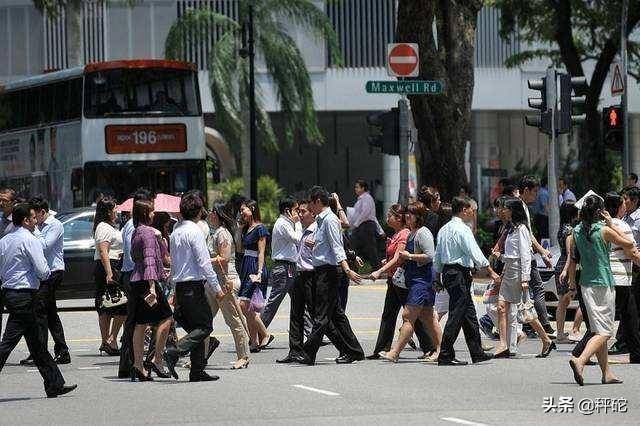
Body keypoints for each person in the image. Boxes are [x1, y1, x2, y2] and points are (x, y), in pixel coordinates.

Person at [0, 203, 77, 398]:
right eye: (33, 218)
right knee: (8, 342)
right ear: (26, 220)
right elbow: (43, 271)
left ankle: (54, 384)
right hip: (24, 295)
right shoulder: (30, 239)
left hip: (10, 293)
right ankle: (54, 383)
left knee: (36, 344)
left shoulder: (5, 240)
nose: (36, 222)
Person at [293, 186, 365, 365]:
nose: (309, 207)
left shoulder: (330, 220)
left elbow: (337, 247)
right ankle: (354, 350)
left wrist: (347, 269)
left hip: (329, 272)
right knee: (336, 315)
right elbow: (325, 244)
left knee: (321, 316)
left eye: (310, 203)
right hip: (321, 271)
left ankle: (309, 353)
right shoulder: (320, 220)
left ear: (318, 201)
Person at [568, 195, 634, 386]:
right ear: (600, 212)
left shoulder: (577, 230)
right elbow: (628, 244)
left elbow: (573, 259)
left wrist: (572, 283)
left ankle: (606, 373)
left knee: (598, 329)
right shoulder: (604, 230)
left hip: (585, 284)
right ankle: (579, 360)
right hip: (603, 284)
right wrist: (611, 223)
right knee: (605, 333)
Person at [163, 193, 225, 382]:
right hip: (193, 286)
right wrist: (217, 288)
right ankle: (175, 350)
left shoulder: (176, 230)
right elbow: (204, 263)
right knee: (205, 326)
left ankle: (197, 370)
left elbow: (174, 263)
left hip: (181, 286)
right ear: (198, 211)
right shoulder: (195, 231)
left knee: (196, 328)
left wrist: (173, 289)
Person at [435, 197, 501, 366]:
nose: (473, 212)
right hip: (459, 273)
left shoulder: (444, 229)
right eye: (471, 209)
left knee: (469, 313)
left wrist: (437, 277)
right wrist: (491, 271)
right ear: (464, 209)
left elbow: (438, 256)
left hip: (449, 273)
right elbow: (475, 252)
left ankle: (477, 352)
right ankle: (445, 354)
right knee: (456, 313)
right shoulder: (463, 229)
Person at [367, 204, 434, 359]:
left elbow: (400, 257)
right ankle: (382, 349)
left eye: (390, 215)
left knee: (412, 315)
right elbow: (395, 256)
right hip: (394, 279)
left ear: (398, 218)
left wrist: (379, 271)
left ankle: (429, 347)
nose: (387, 218)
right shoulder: (399, 233)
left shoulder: (405, 233)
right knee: (392, 315)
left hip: (402, 280)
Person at [493, 198, 555, 358]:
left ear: (513, 210)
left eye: (506, 208)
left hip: (518, 272)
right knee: (502, 307)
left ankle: (546, 339)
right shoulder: (510, 229)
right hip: (509, 271)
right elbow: (511, 255)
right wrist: (500, 257)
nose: (503, 211)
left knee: (524, 309)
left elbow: (525, 255)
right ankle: (503, 344)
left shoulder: (521, 229)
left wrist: (525, 278)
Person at [18, 197, 70, 366]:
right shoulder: (37, 225)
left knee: (39, 310)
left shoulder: (54, 225)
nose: (33, 219)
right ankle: (61, 351)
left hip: (53, 271)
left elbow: (45, 246)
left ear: (42, 212)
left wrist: (35, 231)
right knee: (50, 313)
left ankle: (40, 352)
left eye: (35, 215)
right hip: (42, 273)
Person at [129, 199, 174, 381]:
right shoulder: (147, 233)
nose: (154, 214)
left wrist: (158, 238)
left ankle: (138, 366)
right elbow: (149, 260)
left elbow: (137, 256)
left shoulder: (137, 231)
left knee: (140, 324)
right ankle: (157, 359)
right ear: (145, 213)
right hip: (148, 283)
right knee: (166, 318)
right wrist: (153, 286)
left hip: (136, 281)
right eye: (152, 211)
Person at [207, 203, 250, 370]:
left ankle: (243, 355)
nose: (209, 214)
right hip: (213, 281)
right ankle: (200, 358)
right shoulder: (214, 233)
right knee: (204, 320)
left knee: (233, 320)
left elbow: (224, 258)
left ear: (217, 214)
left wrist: (203, 260)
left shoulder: (223, 234)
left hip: (226, 281)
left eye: (211, 211)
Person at [118, 188, 155, 378]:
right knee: (142, 322)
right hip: (137, 277)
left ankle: (130, 364)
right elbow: (138, 258)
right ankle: (139, 363)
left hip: (131, 276)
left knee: (133, 322)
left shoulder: (129, 226)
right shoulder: (137, 229)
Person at [277, 200, 316, 363]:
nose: (299, 215)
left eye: (302, 211)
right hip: (299, 272)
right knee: (296, 313)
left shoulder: (315, 229)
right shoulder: (303, 228)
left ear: (312, 213)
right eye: (297, 211)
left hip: (311, 274)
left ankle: (348, 347)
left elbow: (297, 239)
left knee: (317, 313)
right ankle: (295, 350)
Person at [603, 192, 640, 363]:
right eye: (623, 203)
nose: (626, 205)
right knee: (622, 315)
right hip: (620, 277)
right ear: (618, 207)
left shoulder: (600, 225)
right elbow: (632, 251)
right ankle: (581, 353)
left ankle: (636, 353)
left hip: (605, 276)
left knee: (628, 313)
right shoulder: (622, 226)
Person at [517, 176, 555, 337]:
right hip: (524, 255)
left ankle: (530, 325)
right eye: (534, 192)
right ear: (526, 190)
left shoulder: (519, 205)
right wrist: (542, 251)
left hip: (521, 255)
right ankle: (544, 326)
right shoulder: (520, 206)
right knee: (538, 288)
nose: (536, 196)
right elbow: (528, 234)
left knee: (519, 292)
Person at [260, 197, 302, 328]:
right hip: (283, 268)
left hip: (290, 267)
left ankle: (310, 331)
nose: (298, 213)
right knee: (273, 303)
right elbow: (297, 239)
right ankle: (258, 333)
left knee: (300, 300)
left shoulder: (288, 223)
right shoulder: (282, 223)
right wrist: (299, 223)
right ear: (287, 210)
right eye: (296, 210)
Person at [237, 200, 272, 352]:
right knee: (248, 305)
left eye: (243, 209)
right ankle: (254, 341)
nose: (241, 213)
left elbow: (262, 252)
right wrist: (239, 230)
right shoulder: (246, 228)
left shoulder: (260, 228)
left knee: (243, 305)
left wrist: (259, 272)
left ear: (252, 209)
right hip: (246, 264)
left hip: (254, 267)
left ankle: (264, 333)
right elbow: (239, 249)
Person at [93, 196, 126, 356]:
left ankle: (107, 341)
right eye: (114, 210)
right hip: (108, 266)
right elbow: (103, 251)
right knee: (119, 304)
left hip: (111, 265)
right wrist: (109, 273)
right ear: (107, 211)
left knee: (109, 304)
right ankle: (109, 339)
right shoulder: (104, 227)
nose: (117, 212)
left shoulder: (108, 226)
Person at [554, 201, 580, 344]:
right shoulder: (570, 230)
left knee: (563, 301)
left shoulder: (561, 228)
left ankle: (559, 333)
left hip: (560, 263)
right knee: (564, 302)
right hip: (566, 265)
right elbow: (570, 254)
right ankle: (559, 334)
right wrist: (570, 275)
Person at [347, 179, 383, 270]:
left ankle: (376, 268)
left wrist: (356, 224)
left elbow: (365, 214)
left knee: (370, 248)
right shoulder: (360, 200)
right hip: (361, 226)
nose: (355, 189)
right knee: (355, 247)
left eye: (357, 187)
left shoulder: (367, 198)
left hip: (366, 226)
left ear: (363, 188)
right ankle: (355, 267)